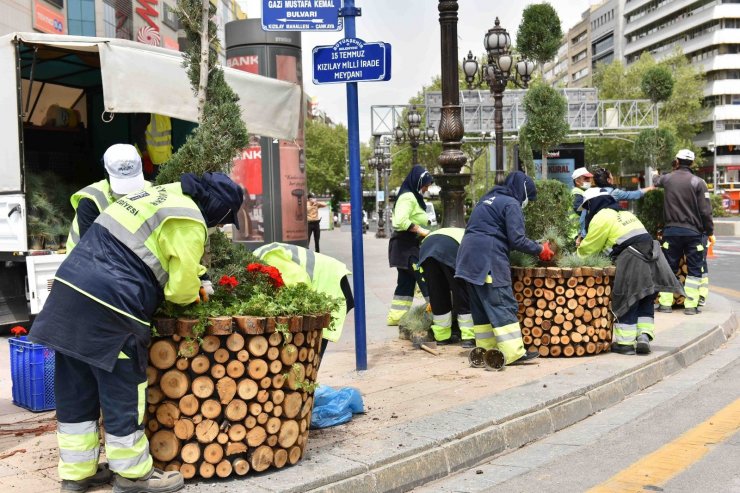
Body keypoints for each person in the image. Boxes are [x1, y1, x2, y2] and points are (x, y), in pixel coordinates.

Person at [30, 172, 243, 493]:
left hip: (67, 296)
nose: (218, 225)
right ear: (219, 209)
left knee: (75, 392)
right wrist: (198, 289)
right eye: (224, 219)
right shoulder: (189, 218)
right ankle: (132, 477)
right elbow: (182, 291)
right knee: (123, 394)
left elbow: (143, 247)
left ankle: (76, 475)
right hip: (112, 308)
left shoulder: (149, 198)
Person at [455, 171, 553, 365]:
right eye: (528, 198)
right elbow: (516, 239)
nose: (526, 202)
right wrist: (540, 249)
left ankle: (488, 352)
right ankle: (513, 353)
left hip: (467, 260)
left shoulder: (486, 199)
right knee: (502, 303)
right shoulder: (511, 203)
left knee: (481, 308)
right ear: (522, 191)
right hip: (488, 259)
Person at [577, 187, 683, 355]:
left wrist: (576, 254)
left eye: (587, 207)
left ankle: (625, 343)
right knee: (645, 297)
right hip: (652, 255)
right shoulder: (625, 213)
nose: (588, 212)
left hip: (633, 258)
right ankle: (643, 337)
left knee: (628, 297)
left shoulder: (601, 216)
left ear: (592, 203)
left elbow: (589, 248)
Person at [253, 242, 353, 357]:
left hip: (331, 284)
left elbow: (299, 282)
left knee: (315, 345)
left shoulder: (269, 258)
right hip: (323, 282)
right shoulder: (259, 259)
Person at [653, 149, 714, 315]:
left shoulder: (668, 179)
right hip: (693, 233)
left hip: (671, 232)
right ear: (692, 163)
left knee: (669, 267)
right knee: (694, 269)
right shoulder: (698, 182)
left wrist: (658, 172)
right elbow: (705, 211)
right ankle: (691, 306)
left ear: (677, 161)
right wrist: (708, 230)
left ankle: (665, 304)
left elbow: (656, 180)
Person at [66, 144, 149, 252]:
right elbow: (92, 250)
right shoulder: (91, 200)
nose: (127, 193)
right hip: (82, 263)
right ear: (106, 175)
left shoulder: (152, 190)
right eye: (122, 183)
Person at [387, 165, 433, 326]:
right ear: (418, 182)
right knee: (425, 278)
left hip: (406, 246)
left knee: (406, 283)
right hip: (405, 246)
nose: (426, 189)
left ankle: (397, 317)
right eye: (425, 185)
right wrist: (421, 230)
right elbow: (400, 221)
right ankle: (437, 313)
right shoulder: (407, 197)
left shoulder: (413, 197)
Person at [419, 227, 474, 348]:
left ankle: (442, 337)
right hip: (450, 249)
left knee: (437, 292)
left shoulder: (461, 232)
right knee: (461, 292)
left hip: (427, 248)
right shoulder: (473, 236)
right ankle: (468, 337)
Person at [134, 113, 173, 180]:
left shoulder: (166, 112)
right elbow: (138, 134)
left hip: (165, 160)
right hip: (150, 161)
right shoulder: (146, 112)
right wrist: (146, 157)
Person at [570, 167, 593, 245]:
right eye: (586, 178)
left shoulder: (583, 192)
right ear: (577, 181)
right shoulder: (576, 193)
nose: (589, 181)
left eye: (589, 178)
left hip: (578, 232)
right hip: (576, 234)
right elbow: (580, 210)